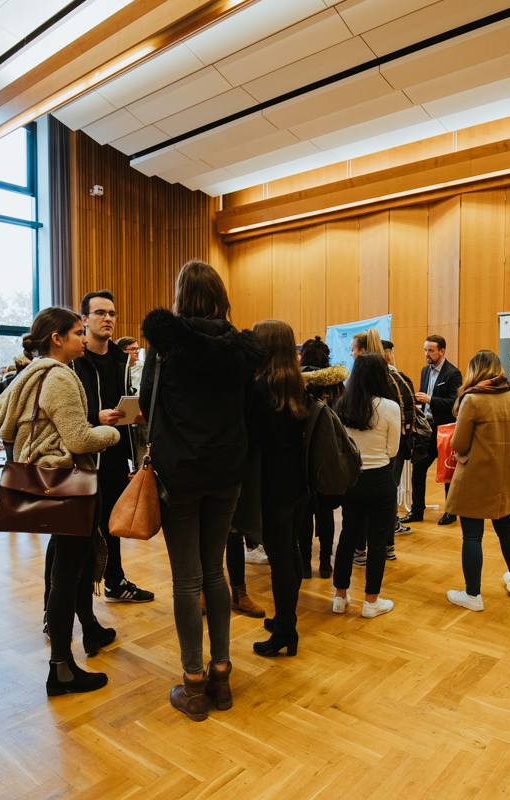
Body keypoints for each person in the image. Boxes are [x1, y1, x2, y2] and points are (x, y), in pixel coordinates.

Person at [139, 259, 265, 722]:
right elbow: (249, 408)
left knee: (187, 580)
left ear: (180, 296)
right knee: (216, 575)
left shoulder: (166, 344)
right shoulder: (242, 349)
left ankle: (193, 686)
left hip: (180, 473)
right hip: (227, 471)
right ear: (220, 296)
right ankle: (222, 675)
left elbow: (149, 399)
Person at [0, 307, 122, 695]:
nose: (84, 338)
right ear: (57, 338)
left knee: (66, 568)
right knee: (66, 577)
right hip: (67, 481)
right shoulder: (60, 375)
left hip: (46, 479)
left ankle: (87, 634)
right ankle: (61, 667)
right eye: (78, 332)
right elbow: (79, 441)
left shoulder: (32, 372)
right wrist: (110, 435)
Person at [71, 290, 154, 604]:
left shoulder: (122, 360)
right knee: (82, 532)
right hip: (84, 457)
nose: (108, 319)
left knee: (114, 522)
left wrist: (136, 413)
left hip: (118, 453)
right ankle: (71, 602)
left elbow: (124, 401)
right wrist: (96, 416)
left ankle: (115, 582)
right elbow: (64, 411)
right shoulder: (75, 361)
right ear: (85, 319)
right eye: (100, 313)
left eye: (112, 314)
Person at [444, 350, 510, 611]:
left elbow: (458, 443)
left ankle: (472, 595)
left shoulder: (472, 400)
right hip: (505, 477)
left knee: (472, 536)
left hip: (475, 477)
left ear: (476, 371)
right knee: (507, 530)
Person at [249, 320, 309, 656]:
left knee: (281, 559)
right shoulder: (297, 384)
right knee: (291, 552)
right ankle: (287, 618)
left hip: (273, 486)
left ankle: (286, 630)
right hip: (299, 483)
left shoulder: (260, 389)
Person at [331, 352, 401, 618]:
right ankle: (371, 602)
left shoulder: (342, 404)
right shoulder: (389, 406)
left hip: (351, 480)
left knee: (348, 535)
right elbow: (393, 449)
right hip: (380, 479)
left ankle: (339, 597)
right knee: (378, 540)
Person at [299, 336, 347, 578]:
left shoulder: (296, 383)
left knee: (305, 510)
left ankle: (305, 565)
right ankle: (326, 564)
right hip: (330, 453)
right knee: (326, 509)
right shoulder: (337, 385)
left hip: (302, 454)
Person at [403, 335, 462, 526]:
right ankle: (417, 510)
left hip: (444, 430)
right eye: (425, 350)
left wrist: (430, 400)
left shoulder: (453, 373)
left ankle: (450, 512)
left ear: (442, 351)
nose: (427, 354)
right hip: (426, 429)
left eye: (431, 350)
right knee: (418, 469)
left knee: (447, 473)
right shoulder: (424, 371)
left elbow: (455, 402)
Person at [383, 339, 416, 535]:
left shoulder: (365, 382)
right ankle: (391, 525)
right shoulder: (400, 380)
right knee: (391, 484)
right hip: (397, 440)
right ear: (389, 356)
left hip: (374, 444)